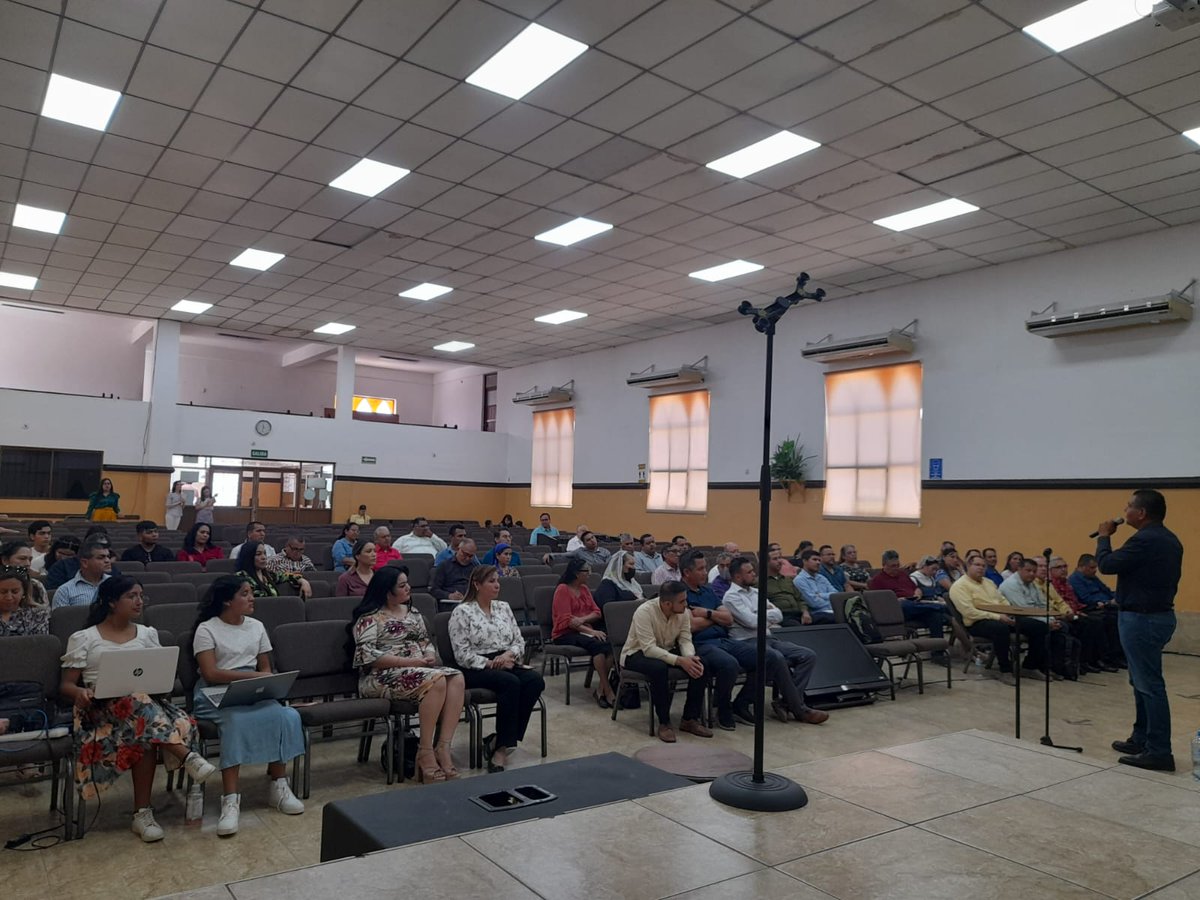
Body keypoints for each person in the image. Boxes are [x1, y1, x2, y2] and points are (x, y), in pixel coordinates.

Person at [60, 576, 216, 841]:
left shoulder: (147, 634)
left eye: (141, 596)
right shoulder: (84, 638)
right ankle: (186, 756)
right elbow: (66, 686)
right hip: (99, 710)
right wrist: (80, 692)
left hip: (143, 712)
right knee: (138, 708)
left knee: (142, 725)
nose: (139, 601)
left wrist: (159, 685)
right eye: (131, 596)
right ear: (111, 602)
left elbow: (160, 681)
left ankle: (142, 814)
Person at [192, 576, 305, 835]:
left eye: (251, 593)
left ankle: (279, 786)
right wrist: (255, 678)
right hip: (215, 692)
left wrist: (265, 683)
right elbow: (211, 673)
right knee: (236, 722)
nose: (252, 598)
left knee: (285, 716)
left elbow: (265, 667)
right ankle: (230, 800)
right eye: (244, 594)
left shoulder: (256, 626)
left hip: (252, 689)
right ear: (226, 600)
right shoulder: (207, 629)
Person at [352, 565, 465, 782]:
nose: (408, 588)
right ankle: (425, 752)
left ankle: (443, 747)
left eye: (407, 583)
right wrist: (412, 661)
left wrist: (429, 655)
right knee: (437, 680)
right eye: (402, 585)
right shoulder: (369, 618)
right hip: (381, 675)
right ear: (387, 591)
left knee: (456, 677)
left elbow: (425, 641)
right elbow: (368, 657)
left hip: (419, 669)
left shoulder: (413, 613)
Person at [1097, 489, 1183, 772]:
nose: (1125, 510)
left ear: (1142, 513)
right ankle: (1141, 738)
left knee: (1149, 685)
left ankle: (1159, 751)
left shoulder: (1145, 539)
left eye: (1129, 506)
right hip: (1157, 616)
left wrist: (1104, 536)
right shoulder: (1169, 539)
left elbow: (1106, 565)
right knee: (1141, 682)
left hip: (1142, 619)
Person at [448, 566, 545, 772]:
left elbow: (519, 640)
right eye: (491, 581)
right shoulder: (462, 611)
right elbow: (461, 654)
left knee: (535, 680)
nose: (497, 584)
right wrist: (492, 663)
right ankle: (501, 748)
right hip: (476, 666)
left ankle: (498, 740)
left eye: (497, 580)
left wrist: (508, 656)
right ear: (477, 584)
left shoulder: (503, 607)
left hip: (506, 659)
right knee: (510, 682)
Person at [721, 557, 828, 724]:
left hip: (768, 637)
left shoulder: (756, 593)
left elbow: (778, 614)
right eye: (749, 572)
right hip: (746, 642)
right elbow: (752, 622)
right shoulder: (730, 597)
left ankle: (785, 703)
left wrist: (762, 617)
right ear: (737, 577)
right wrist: (766, 616)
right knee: (775, 658)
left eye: (752, 570)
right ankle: (800, 709)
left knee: (808, 655)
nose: (754, 574)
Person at [620, 581, 710, 743]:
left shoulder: (682, 612)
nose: (686, 604)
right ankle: (664, 723)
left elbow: (685, 639)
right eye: (682, 601)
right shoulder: (644, 612)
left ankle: (690, 719)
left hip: (665, 649)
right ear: (668, 604)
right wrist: (680, 661)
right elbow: (648, 649)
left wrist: (689, 657)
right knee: (658, 668)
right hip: (636, 653)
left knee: (701, 664)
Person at [681, 549, 757, 731]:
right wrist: (716, 617)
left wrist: (706, 613)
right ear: (686, 573)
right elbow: (691, 626)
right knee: (729, 664)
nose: (705, 572)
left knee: (763, 657)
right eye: (700, 569)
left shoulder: (708, 591)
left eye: (705, 568)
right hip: (699, 644)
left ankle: (741, 704)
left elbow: (729, 618)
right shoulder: (679, 593)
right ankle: (722, 708)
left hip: (723, 640)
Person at [550, 559, 617, 708]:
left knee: (611, 646)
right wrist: (591, 631)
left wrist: (582, 619)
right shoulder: (562, 589)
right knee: (597, 646)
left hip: (583, 630)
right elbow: (567, 621)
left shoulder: (585, 589)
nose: (589, 574)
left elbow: (597, 612)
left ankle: (601, 690)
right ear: (576, 573)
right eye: (586, 571)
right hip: (564, 633)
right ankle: (608, 690)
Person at [948, 555, 1021, 685]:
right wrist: (998, 617)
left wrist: (1008, 612)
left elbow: (1002, 600)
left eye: (983, 565)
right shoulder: (959, 586)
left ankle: (1032, 665)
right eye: (977, 565)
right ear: (968, 566)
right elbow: (969, 612)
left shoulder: (989, 582)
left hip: (1000, 616)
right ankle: (1005, 670)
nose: (981, 568)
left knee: (1034, 625)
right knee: (1001, 629)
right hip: (977, 622)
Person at [996, 558, 1065, 678]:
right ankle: (1029, 666)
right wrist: (1047, 622)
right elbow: (1023, 610)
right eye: (1028, 571)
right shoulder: (1011, 584)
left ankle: (1049, 667)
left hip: (1034, 617)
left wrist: (1052, 619)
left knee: (1062, 629)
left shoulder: (1032, 584)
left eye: (1034, 571)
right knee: (1041, 628)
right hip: (1014, 618)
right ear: (1019, 570)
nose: (1032, 574)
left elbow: (1043, 604)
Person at [869, 550, 949, 648]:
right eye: (892, 566)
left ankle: (938, 652)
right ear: (884, 565)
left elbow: (916, 588)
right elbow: (878, 602)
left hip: (915, 604)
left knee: (935, 615)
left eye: (897, 565)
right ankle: (938, 606)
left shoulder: (903, 574)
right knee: (905, 604)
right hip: (898, 609)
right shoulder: (877, 580)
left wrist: (917, 592)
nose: (896, 568)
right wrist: (896, 600)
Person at [1069, 553, 1125, 667]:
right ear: (1082, 566)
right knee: (1110, 620)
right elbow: (1086, 598)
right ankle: (1108, 657)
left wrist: (1116, 598)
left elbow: (1106, 590)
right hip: (1092, 608)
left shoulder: (1093, 578)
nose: (1095, 570)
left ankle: (1120, 654)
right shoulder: (1075, 580)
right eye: (1092, 568)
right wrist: (1107, 602)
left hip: (1106, 605)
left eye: (1095, 567)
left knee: (1123, 615)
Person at [236, 541, 311, 600]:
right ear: (248, 557)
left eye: (264, 553)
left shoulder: (268, 575)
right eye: (258, 554)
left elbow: (286, 575)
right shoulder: (240, 578)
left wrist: (303, 581)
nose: (264, 557)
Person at [53, 540, 112, 607]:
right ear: (85, 563)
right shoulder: (65, 591)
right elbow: (61, 617)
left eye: (108, 556)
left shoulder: (117, 584)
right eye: (101, 558)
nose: (107, 561)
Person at [766, 546, 809, 625]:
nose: (780, 561)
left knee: (828, 619)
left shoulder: (788, 580)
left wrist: (805, 612)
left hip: (798, 614)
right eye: (775, 559)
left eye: (780, 558)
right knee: (795, 625)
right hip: (782, 615)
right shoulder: (760, 583)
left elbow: (800, 599)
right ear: (767, 563)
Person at [0, 566, 49, 636]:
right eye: (3, 592)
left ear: (24, 592)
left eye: (15, 592)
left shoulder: (37, 614)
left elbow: (41, 644)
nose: (9, 597)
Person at [594, 551, 643, 621]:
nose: (633, 568)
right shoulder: (607, 584)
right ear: (620, 565)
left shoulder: (632, 582)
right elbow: (609, 609)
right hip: (619, 621)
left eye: (634, 564)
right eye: (631, 564)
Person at [793, 549, 836, 624]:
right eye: (814, 560)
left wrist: (820, 595)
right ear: (804, 561)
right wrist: (831, 602)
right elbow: (814, 603)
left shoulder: (821, 578)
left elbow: (836, 594)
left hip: (833, 611)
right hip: (816, 613)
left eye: (819, 560)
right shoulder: (799, 580)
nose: (818, 562)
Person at [1, 542, 49, 607]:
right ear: (5, 560)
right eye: (22, 558)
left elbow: (46, 611)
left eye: (30, 560)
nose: (28, 564)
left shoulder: (36, 585)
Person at [430, 538, 479, 603]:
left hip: (470, 600)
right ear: (458, 549)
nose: (467, 558)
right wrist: (449, 595)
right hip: (449, 602)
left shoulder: (475, 567)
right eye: (465, 554)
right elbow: (434, 590)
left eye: (470, 556)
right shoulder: (444, 566)